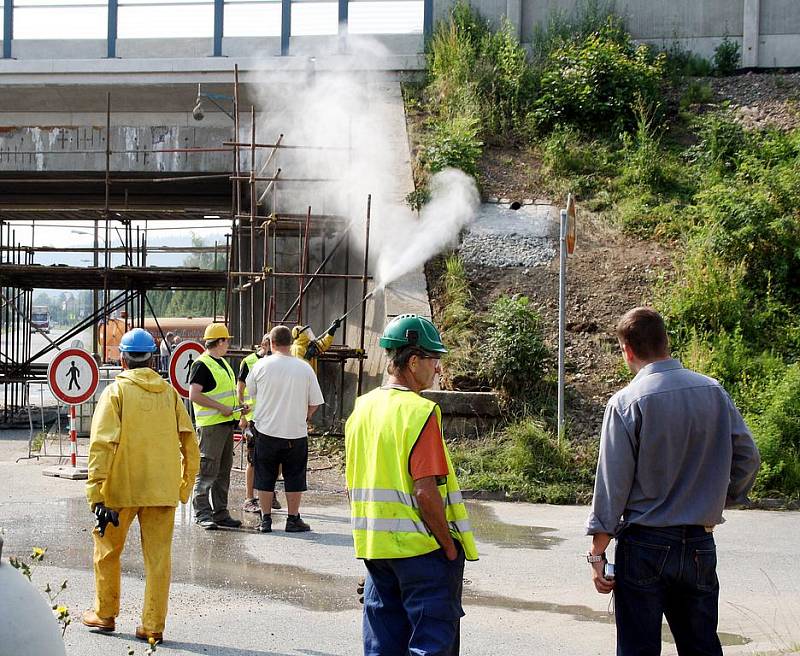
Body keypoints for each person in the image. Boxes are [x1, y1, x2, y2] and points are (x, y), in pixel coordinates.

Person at [586, 307, 761, 656]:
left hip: (645, 546)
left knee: (639, 649)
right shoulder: (713, 391)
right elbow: (749, 458)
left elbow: (612, 486)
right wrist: (721, 497)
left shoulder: (626, 403)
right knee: (702, 647)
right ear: (666, 341)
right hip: (699, 543)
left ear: (627, 351)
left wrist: (597, 553)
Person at [344, 314, 479, 656]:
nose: (437, 368)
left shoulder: (361, 409)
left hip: (376, 550)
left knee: (383, 644)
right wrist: (448, 547)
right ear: (413, 360)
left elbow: (353, 484)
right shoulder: (420, 412)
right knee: (431, 644)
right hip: (422, 550)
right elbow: (425, 491)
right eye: (434, 359)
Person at [81, 328, 199, 645]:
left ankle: (105, 614)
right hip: (162, 490)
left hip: (120, 490)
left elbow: (102, 444)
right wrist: (184, 487)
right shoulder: (171, 394)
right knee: (159, 560)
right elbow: (190, 442)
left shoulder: (115, 394)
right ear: (154, 359)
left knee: (107, 551)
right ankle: (152, 626)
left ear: (122, 359)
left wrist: (95, 490)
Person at [245, 325, 323, 534]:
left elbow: (251, 391)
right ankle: (292, 518)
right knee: (295, 476)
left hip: (266, 431)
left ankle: (266, 520)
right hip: (295, 432)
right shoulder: (304, 368)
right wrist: (304, 416)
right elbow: (315, 402)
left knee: (264, 475)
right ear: (291, 343)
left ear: (271, 343)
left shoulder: (261, 366)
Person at [189, 323, 244, 530]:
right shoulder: (202, 364)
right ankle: (203, 512)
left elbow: (224, 393)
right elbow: (194, 395)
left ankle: (221, 512)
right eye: (227, 340)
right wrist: (221, 407)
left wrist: (239, 407)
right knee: (207, 470)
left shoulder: (222, 363)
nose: (228, 343)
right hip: (211, 426)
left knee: (223, 471)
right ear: (219, 341)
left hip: (225, 424)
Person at [237, 333, 281, 514]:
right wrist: (243, 416)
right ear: (264, 344)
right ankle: (249, 497)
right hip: (254, 419)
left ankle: (268, 492)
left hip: (274, 418)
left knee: (277, 460)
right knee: (253, 460)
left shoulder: (279, 362)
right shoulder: (248, 362)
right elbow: (239, 389)